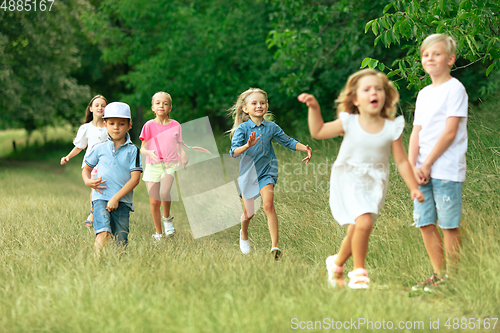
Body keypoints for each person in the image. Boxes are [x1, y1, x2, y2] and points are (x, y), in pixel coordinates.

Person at [298, 69, 425, 289]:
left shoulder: (391, 127)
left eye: (378, 89)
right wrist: (314, 108)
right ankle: (359, 273)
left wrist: (413, 187)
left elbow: (402, 161)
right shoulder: (349, 122)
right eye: (367, 89)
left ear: (384, 95)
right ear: (355, 99)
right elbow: (318, 131)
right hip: (349, 178)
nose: (373, 92)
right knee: (364, 222)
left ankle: (336, 265)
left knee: (358, 227)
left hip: (374, 183)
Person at [408, 34, 468, 292]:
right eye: (425, 55)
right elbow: (416, 131)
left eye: (437, 54)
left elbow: (450, 131)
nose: (430, 58)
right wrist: (412, 165)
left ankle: (454, 279)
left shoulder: (455, 89)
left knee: (448, 224)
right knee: (425, 221)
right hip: (420, 171)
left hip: (445, 169)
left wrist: (428, 162)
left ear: (450, 59)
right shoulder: (423, 93)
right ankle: (439, 274)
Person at [229, 88, 312, 260]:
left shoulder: (271, 127)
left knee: (268, 205)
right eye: (254, 103)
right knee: (249, 213)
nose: (259, 106)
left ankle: (275, 246)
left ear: (266, 106)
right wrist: (247, 146)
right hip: (248, 175)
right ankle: (244, 232)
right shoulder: (243, 129)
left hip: (267, 171)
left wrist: (305, 148)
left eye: (262, 102)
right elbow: (234, 152)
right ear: (245, 108)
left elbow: (288, 141)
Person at [82, 102, 142, 253]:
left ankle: (118, 267)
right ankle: (94, 266)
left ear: (129, 125)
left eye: (121, 124)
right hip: (100, 197)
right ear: (105, 124)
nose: (116, 127)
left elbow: (135, 179)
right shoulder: (99, 148)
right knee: (103, 232)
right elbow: (87, 169)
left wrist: (116, 198)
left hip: (123, 201)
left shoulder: (133, 150)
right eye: (112, 123)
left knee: (121, 242)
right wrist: (88, 181)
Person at [140, 92, 188, 242]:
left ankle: (167, 218)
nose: (162, 105)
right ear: (153, 107)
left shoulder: (176, 125)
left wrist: (183, 154)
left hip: (170, 164)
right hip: (153, 165)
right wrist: (149, 152)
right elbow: (142, 148)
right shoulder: (149, 125)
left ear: (170, 108)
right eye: (158, 103)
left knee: (164, 192)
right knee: (154, 201)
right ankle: (159, 234)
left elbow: (179, 144)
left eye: (165, 103)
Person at [61, 95, 108, 228]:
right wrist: (68, 157)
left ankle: (104, 212)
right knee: (95, 187)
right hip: (92, 164)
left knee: (106, 187)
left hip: (108, 163)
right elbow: (80, 146)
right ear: (91, 108)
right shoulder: (86, 128)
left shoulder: (109, 126)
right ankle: (93, 212)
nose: (100, 107)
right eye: (97, 105)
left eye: (103, 105)